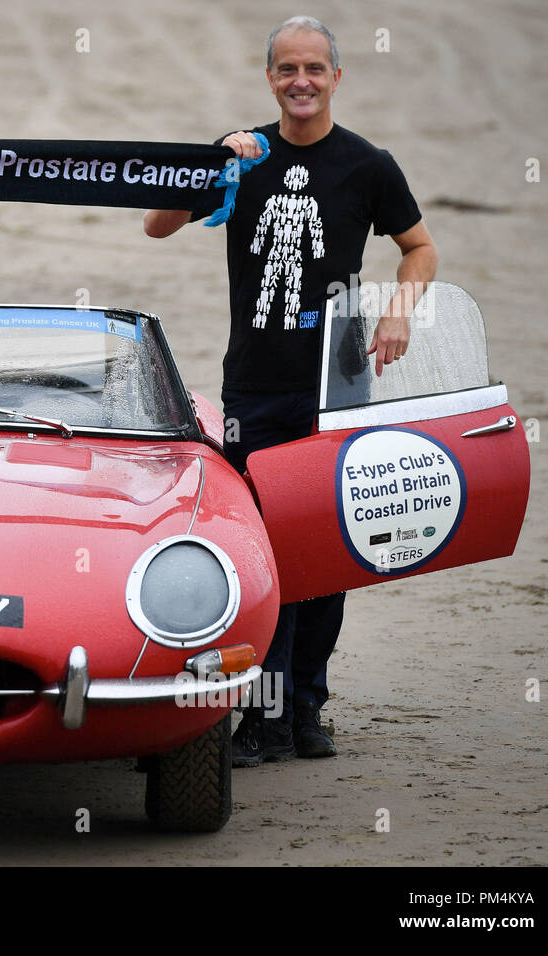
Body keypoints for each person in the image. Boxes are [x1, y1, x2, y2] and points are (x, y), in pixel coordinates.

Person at [143, 16, 437, 766]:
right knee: (263, 550)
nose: (300, 81)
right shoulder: (241, 157)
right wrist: (209, 165)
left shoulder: (369, 166)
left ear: (337, 77)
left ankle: (305, 712)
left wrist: (400, 314)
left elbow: (419, 248)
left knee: (325, 551)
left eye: (314, 68)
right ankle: (263, 717)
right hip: (254, 384)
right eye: (286, 70)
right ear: (269, 79)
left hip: (335, 385)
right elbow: (157, 226)